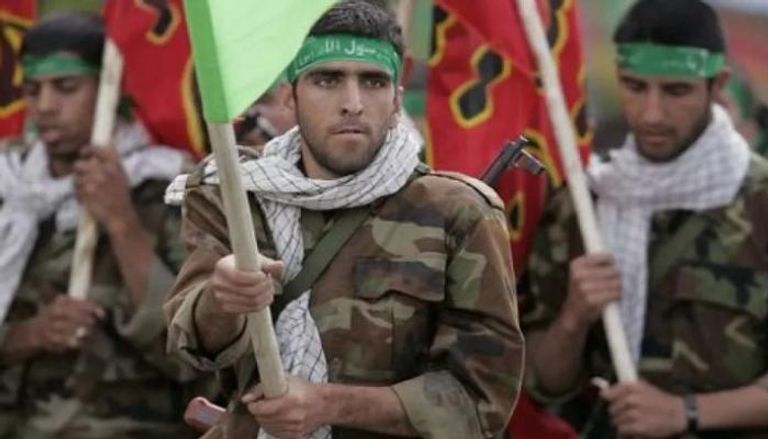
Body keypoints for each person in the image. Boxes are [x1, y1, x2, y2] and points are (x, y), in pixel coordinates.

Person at [164, 1, 524, 438]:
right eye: (327, 80)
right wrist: (223, 298)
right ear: (289, 95)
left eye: (373, 82)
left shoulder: (458, 211)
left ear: (397, 98)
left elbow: (482, 401)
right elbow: (192, 346)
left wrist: (327, 404)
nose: (352, 104)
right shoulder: (233, 193)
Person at [521, 0, 768, 438]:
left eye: (676, 91)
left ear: (717, 85)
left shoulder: (760, 203)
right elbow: (541, 380)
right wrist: (574, 317)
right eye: (634, 87)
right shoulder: (586, 203)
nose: (651, 113)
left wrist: (685, 413)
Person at [0, 11, 211, 438]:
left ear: (110, 89)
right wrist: (28, 335)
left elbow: (194, 351)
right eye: (33, 89)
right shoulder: (8, 180)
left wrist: (120, 221)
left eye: (66, 88)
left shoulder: (170, 187)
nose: (45, 107)